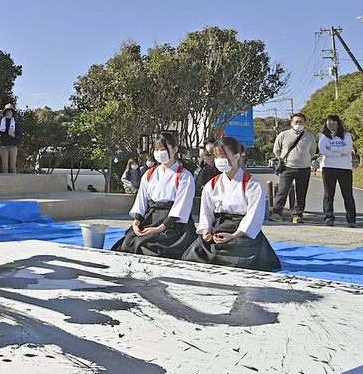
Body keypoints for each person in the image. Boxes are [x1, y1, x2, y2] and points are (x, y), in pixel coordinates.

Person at [182, 137, 280, 271]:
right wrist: (206, 230)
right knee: (195, 254)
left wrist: (234, 235)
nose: (219, 160)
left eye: (222, 156)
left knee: (239, 258)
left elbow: (254, 216)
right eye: (216, 156)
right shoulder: (212, 184)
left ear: (237, 156)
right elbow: (206, 212)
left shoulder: (252, 185)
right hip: (218, 227)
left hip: (241, 232)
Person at [111, 133, 196, 258]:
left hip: (172, 222)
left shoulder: (184, 176)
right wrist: (136, 223)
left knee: (155, 246)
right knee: (129, 242)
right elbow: (141, 200)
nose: (159, 153)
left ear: (175, 149)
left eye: (163, 149)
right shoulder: (149, 174)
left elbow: (180, 207)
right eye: (157, 150)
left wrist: (159, 229)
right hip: (150, 217)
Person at [271, 113, 317, 223]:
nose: (298, 124)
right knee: (282, 191)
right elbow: (276, 149)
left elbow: (312, 152)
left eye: (300, 122)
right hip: (287, 168)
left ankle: (297, 214)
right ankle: (277, 213)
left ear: (304, 123)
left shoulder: (310, 137)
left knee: (301, 193)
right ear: (291, 123)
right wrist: (282, 159)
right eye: (296, 122)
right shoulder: (283, 134)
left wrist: (304, 160)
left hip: (304, 168)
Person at [319, 114, 357, 228]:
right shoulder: (323, 136)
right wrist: (341, 153)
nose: (332, 124)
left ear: (338, 123)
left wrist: (333, 149)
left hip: (345, 168)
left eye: (334, 122)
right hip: (328, 168)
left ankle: (351, 219)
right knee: (328, 194)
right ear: (326, 124)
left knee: (348, 194)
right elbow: (323, 151)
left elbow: (348, 148)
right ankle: (329, 217)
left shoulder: (346, 135)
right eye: (329, 122)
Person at [0, 103, 22, 173]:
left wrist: (14, 136)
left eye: (11, 112)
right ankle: (4, 183)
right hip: (4, 147)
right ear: (5, 113)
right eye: (7, 111)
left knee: (12, 167)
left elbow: (20, 134)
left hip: (13, 147)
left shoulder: (15, 123)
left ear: (13, 113)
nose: (9, 113)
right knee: (5, 167)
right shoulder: (1, 122)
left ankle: (14, 183)